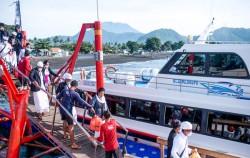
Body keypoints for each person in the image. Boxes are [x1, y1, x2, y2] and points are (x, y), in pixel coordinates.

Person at [56, 80, 93, 149]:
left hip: (62, 109)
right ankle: (73, 144)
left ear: (70, 85)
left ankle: (64, 135)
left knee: (64, 121)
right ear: (76, 86)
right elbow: (82, 102)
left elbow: (57, 97)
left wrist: (62, 100)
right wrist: (90, 107)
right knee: (71, 127)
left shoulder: (64, 90)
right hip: (68, 111)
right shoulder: (75, 94)